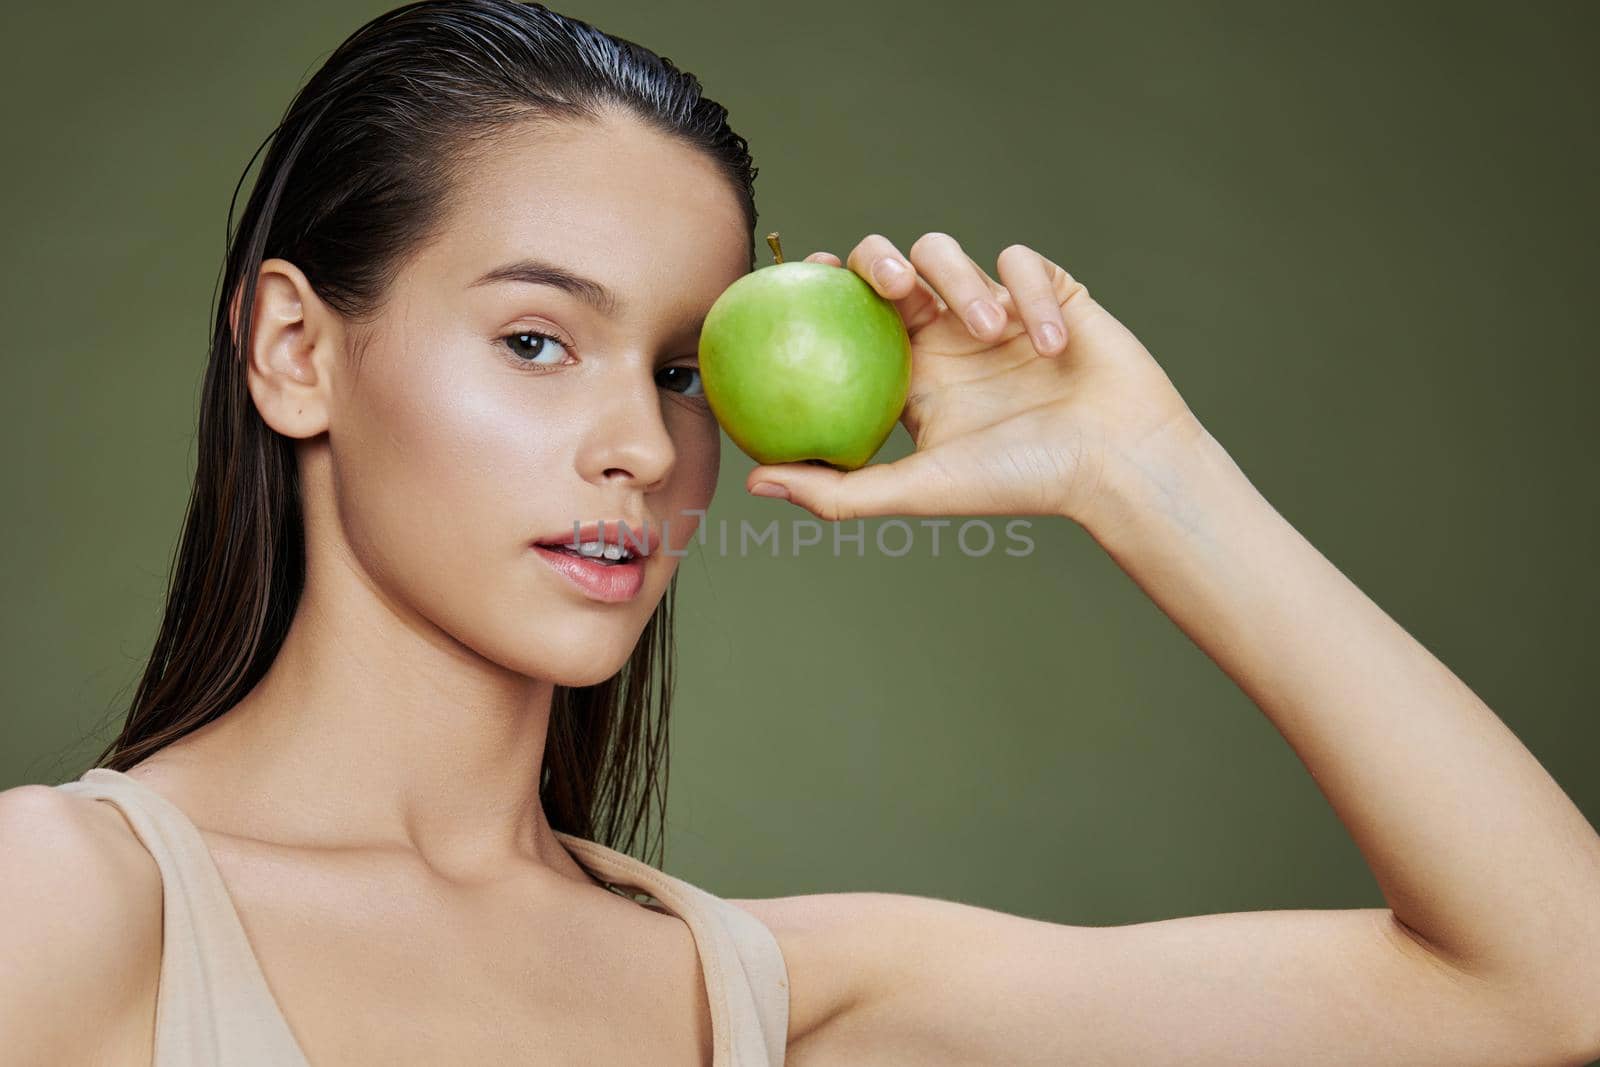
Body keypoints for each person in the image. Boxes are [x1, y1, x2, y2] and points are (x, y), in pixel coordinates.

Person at [4, 1, 1598, 1064]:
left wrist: (1147, 473)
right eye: (538, 341)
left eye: (691, 370)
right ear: (298, 351)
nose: (641, 444)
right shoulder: (61, 903)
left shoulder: (771, 994)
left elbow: (1550, 980)